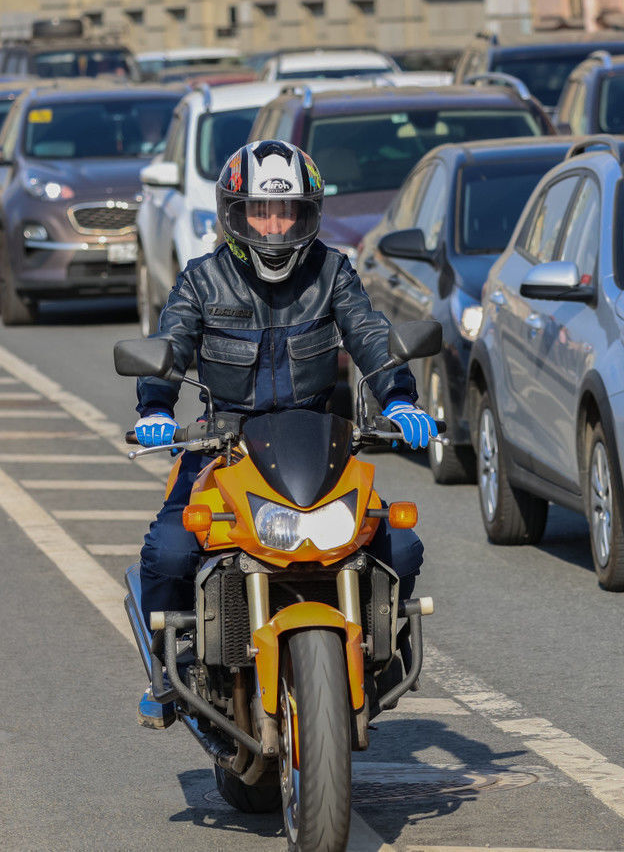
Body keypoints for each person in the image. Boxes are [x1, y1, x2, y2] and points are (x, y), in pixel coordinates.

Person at [132, 139, 437, 727]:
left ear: (307, 213)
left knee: (400, 545)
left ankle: (380, 653)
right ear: (235, 213)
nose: (274, 227)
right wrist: (154, 409)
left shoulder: (332, 272)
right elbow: (170, 346)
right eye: (261, 212)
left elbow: (370, 334)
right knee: (168, 552)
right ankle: (170, 670)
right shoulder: (202, 280)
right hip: (224, 446)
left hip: (318, 446)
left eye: (287, 211)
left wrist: (399, 399)